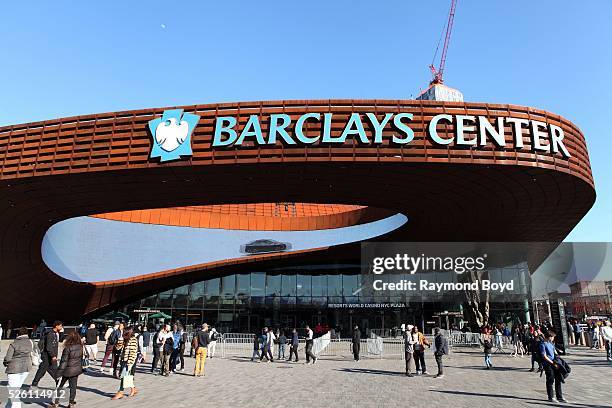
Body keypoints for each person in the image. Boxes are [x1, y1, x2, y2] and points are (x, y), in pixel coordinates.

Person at [50, 331, 83, 408]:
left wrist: (58, 373)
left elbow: (63, 362)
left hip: (67, 371)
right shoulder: (80, 347)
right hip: (76, 370)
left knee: (60, 387)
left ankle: (56, 403)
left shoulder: (67, 348)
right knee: (73, 387)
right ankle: (71, 403)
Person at [4, 327, 33, 408]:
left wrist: (5, 362)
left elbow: (8, 358)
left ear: (18, 334)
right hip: (26, 368)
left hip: (14, 369)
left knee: (13, 392)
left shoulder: (14, 344)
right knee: (15, 390)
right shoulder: (31, 342)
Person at [31, 320, 62, 389]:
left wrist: (61, 332)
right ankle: (34, 384)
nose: (61, 327)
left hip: (50, 355)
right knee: (43, 370)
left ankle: (58, 382)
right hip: (46, 355)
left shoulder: (56, 333)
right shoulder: (50, 334)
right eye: (60, 326)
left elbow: (60, 340)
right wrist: (53, 355)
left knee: (51, 369)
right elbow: (49, 347)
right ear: (56, 326)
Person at [540, 329, 567, 403]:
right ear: (549, 336)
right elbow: (544, 356)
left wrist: (558, 359)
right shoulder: (543, 344)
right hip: (548, 364)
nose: (553, 338)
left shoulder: (551, 343)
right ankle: (551, 396)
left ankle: (559, 396)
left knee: (558, 379)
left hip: (554, 363)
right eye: (552, 337)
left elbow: (554, 352)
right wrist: (552, 362)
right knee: (550, 379)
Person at [112, 327, 139, 399]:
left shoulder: (133, 339)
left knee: (123, 376)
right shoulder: (125, 338)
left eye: (124, 331)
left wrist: (130, 363)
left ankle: (120, 392)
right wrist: (120, 339)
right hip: (123, 360)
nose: (123, 332)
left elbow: (133, 353)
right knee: (126, 376)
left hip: (129, 361)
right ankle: (133, 388)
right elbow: (118, 348)